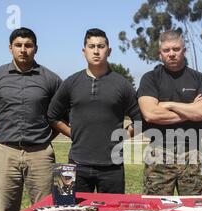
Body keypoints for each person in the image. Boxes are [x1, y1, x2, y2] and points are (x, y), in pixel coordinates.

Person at [0, 27, 62, 211]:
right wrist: (5, 135)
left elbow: (60, 117)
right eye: (18, 45)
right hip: (5, 153)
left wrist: (45, 139)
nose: (23, 50)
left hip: (41, 154)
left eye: (28, 45)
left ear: (36, 48)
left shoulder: (51, 79)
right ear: (10, 48)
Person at [47, 28, 140, 194]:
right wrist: (72, 133)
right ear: (84, 51)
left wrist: (122, 136)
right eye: (91, 46)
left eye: (101, 46)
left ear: (109, 51)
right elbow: (52, 116)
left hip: (112, 167)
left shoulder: (122, 84)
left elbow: (141, 120)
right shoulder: (71, 82)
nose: (96, 51)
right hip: (76, 164)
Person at [138, 30, 202, 195]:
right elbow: (151, 114)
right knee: (156, 210)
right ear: (160, 54)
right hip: (159, 152)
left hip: (192, 153)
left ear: (184, 50)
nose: (171, 54)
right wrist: (191, 109)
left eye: (176, 49)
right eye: (166, 50)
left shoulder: (201, 79)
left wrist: (168, 104)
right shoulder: (150, 79)